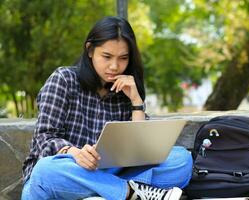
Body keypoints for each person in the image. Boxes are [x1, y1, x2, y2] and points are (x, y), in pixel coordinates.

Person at [21, 16, 193, 200]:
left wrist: (136, 101)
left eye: (123, 58)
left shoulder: (126, 90)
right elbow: (44, 138)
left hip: (110, 172)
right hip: (65, 173)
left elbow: (141, 152)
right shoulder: (64, 79)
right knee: (45, 170)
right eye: (107, 56)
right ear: (90, 50)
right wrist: (75, 153)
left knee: (181, 160)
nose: (114, 66)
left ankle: (105, 192)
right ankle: (128, 193)